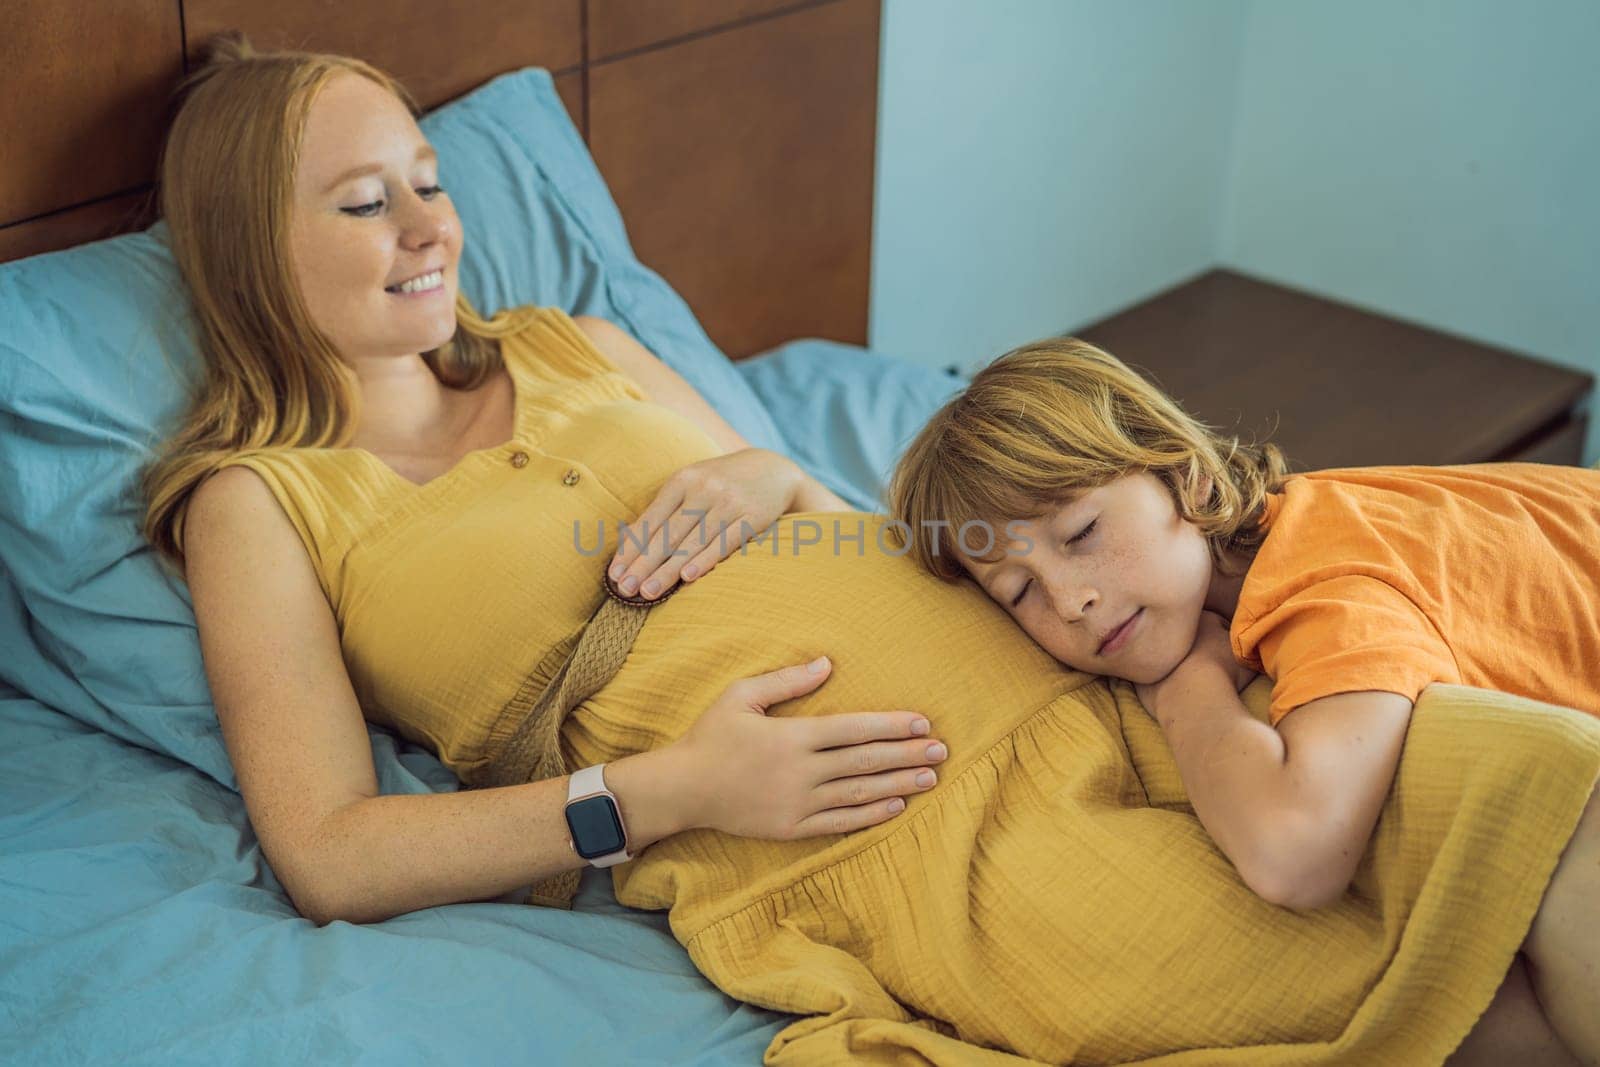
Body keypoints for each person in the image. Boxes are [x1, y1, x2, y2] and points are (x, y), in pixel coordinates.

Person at [139, 34, 1597, 1066]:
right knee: (1438, 1003)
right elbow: (327, 852)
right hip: (909, 822)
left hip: (1106, 662)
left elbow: (819, 489)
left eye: (432, 178)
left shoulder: (570, 341)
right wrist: (664, 792)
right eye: (363, 199)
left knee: (1553, 783)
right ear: (248, 246)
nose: (430, 225)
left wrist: (761, 462)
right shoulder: (257, 500)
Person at [886, 336, 1600, 1063]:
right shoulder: (1282, 540)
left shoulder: (1326, 574)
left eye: (1082, 532)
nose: (1073, 600)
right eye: (1020, 590)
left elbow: (1296, 852)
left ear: (1187, 479)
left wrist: (1185, 688)